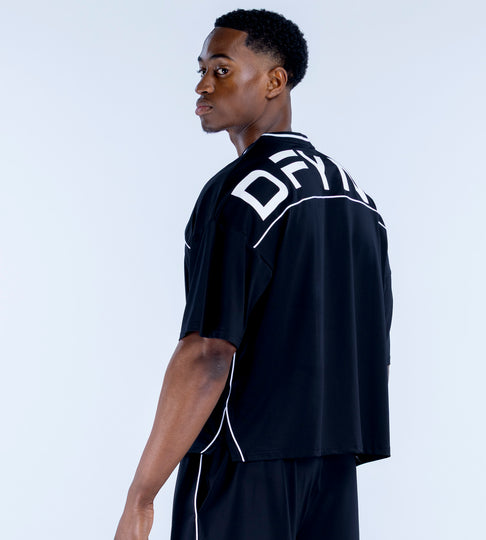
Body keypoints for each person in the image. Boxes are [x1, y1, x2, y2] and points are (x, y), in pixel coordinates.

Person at [114, 8, 392, 540]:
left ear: (274, 81)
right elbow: (374, 339)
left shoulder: (241, 194)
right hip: (333, 467)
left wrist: (141, 497)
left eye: (221, 69)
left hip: (241, 462)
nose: (202, 85)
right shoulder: (359, 201)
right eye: (200, 70)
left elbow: (208, 353)